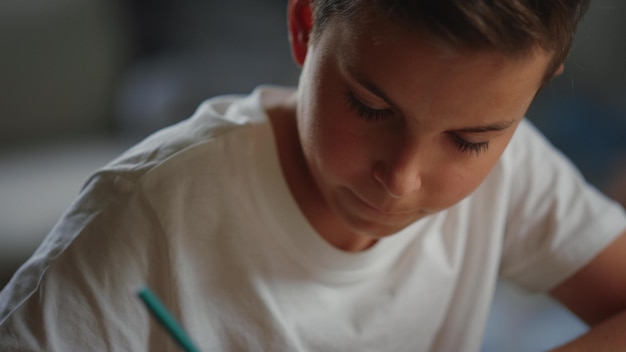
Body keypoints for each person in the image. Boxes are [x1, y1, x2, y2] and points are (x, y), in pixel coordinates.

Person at [1, 0, 625, 350]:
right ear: (304, 25)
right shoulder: (147, 218)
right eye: (370, 108)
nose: (402, 179)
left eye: (470, 140)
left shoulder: (515, 173)